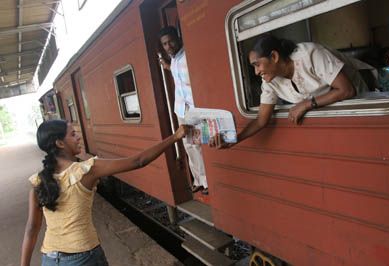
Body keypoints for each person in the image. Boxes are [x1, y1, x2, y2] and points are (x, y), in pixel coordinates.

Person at [21, 119, 189, 266]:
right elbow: (138, 161)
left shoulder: (38, 182)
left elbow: (32, 229)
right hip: (83, 257)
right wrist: (175, 137)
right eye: (72, 134)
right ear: (60, 143)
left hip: (49, 259)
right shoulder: (86, 170)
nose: (78, 136)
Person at [209, 34, 368, 148]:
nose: (256, 72)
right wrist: (233, 139)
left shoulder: (310, 54)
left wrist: (307, 104)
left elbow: (346, 90)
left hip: (362, 102)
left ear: (274, 56)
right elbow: (261, 120)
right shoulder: (270, 81)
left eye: (257, 64)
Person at [158, 26, 209, 195]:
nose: (169, 46)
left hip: (196, 108)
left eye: (170, 41)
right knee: (189, 145)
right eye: (165, 44)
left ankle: (208, 181)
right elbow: (176, 72)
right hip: (181, 109)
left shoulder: (189, 55)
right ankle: (199, 180)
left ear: (178, 37)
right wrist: (166, 66)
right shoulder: (173, 60)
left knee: (201, 143)